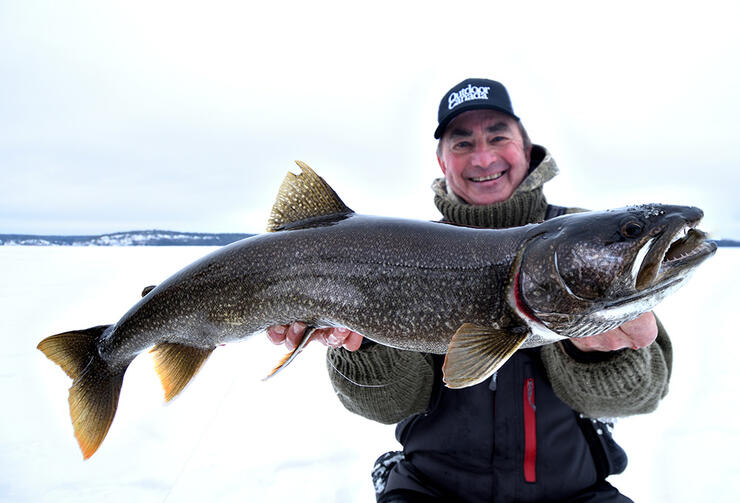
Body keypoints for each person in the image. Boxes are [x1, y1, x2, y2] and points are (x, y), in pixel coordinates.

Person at [267, 78, 671, 502]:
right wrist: (365, 346)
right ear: (442, 163)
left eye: (498, 137)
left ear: (527, 148)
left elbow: (641, 397)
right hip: (431, 489)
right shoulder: (395, 253)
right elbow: (387, 407)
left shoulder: (583, 241)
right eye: (462, 144)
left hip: (574, 490)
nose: (482, 157)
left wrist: (591, 353)